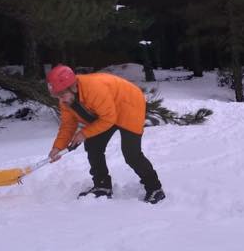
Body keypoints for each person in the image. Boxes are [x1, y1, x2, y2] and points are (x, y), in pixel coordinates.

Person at [46, 65, 164, 203]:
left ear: (73, 87)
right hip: (107, 110)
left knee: (131, 154)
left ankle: (155, 188)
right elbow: (68, 125)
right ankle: (102, 186)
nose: (61, 100)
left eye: (62, 95)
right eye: (57, 96)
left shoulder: (93, 89)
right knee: (93, 145)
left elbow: (108, 119)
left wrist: (83, 133)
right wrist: (57, 147)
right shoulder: (66, 100)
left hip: (129, 104)